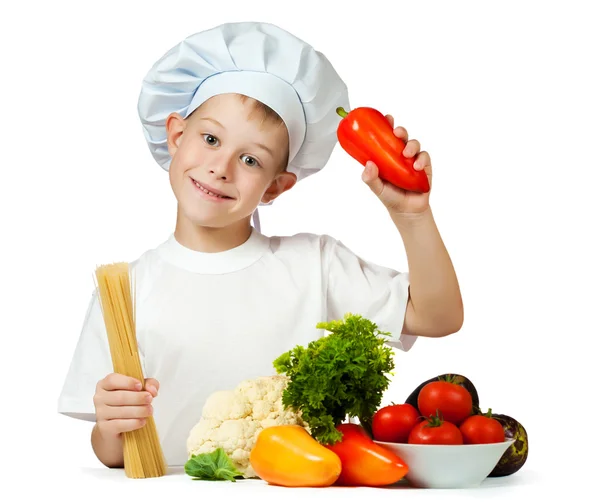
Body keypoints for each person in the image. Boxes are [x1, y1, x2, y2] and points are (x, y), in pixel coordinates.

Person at [57, 21, 463, 470]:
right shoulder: (124, 289)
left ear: (276, 187)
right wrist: (112, 425)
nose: (220, 167)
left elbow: (438, 317)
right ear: (175, 136)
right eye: (210, 139)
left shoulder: (316, 265)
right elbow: (111, 454)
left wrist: (413, 216)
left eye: (251, 160)